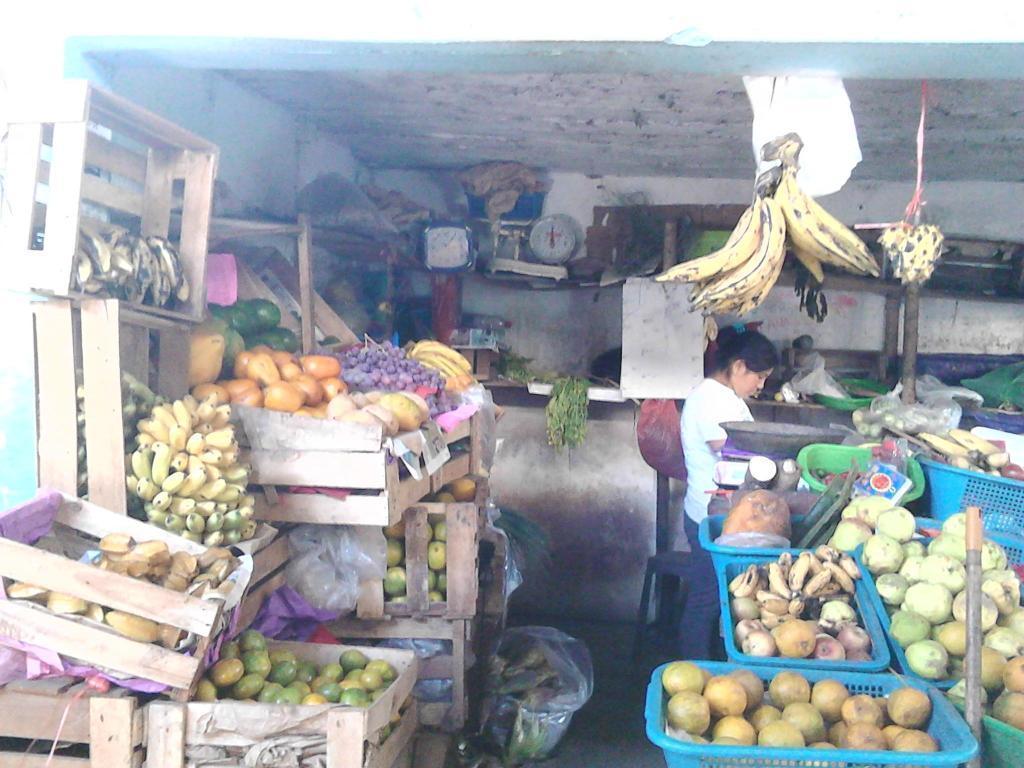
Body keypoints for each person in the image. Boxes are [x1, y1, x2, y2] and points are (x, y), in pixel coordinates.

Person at [677, 326, 778, 659]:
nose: (760, 385)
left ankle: (716, 666)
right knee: (708, 598)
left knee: (725, 598)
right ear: (738, 367)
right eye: (759, 376)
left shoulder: (730, 398)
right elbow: (731, 450)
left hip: (730, 515)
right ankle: (693, 668)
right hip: (709, 516)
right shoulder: (708, 399)